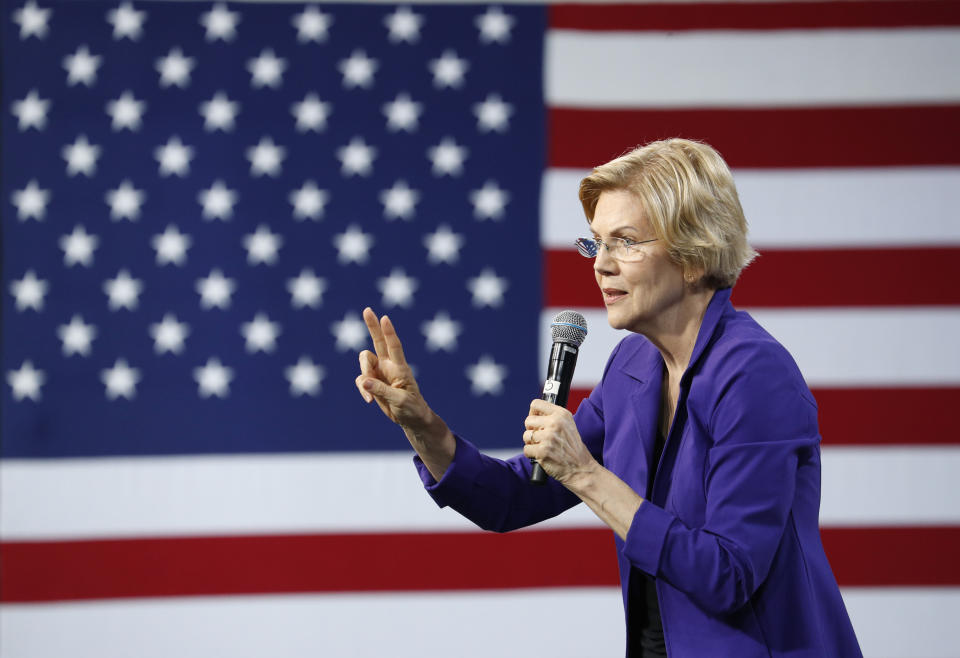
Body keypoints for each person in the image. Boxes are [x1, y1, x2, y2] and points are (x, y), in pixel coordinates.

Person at [354, 138, 862, 657]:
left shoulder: (754, 375)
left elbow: (728, 575)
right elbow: (512, 499)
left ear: (692, 255)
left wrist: (585, 474)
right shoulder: (632, 368)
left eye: (625, 241)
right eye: (597, 242)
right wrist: (421, 425)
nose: (600, 265)